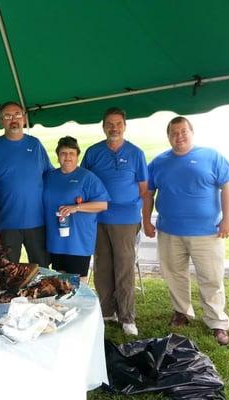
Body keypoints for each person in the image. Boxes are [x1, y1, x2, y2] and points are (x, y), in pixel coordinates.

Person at [143, 116, 229, 346]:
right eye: (174, 132)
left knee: (211, 277)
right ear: (168, 136)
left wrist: (227, 219)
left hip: (207, 232)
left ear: (191, 133)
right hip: (170, 231)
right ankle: (182, 311)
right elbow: (148, 193)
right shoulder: (159, 162)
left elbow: (228, 185)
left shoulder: (211, 156)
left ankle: (217, 322)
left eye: (183, 131)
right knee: (174, 274)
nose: (179, 136)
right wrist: (146, 220)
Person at [81, 107, 148, 336]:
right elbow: (84, 182)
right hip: (98, 218)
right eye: (109, 123)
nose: (114, 127)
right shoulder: (93, 152)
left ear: (124, 126)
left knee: (124, 267)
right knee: (102, 266)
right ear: (103, 126)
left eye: (118, 123)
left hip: (126, 219)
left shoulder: (136, 153)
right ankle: (107, 311)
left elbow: (143, 188)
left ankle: (127, 316)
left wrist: (139, 212)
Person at [0, 101, 53, 267]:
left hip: (37, 222)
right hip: (6, 223)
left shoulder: (35, 145)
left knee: (41, 270)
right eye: (7, 116)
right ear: (1, 121)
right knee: (5, 271)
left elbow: (50, 175)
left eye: (17, 115)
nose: (13, 119)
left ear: (24, 118)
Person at [43, 136, 109, 283]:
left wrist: (76, 207)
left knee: (77, 285)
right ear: (57, 155)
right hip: (56, 240)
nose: (67, 157)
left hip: (78, 241)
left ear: (77, 156)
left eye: (71, 153)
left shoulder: (87, 177)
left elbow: (102, 204)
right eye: (63, 153)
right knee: (58, 283)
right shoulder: (49, 177)